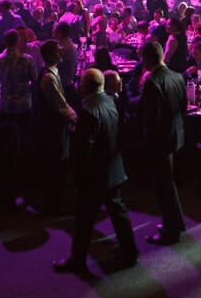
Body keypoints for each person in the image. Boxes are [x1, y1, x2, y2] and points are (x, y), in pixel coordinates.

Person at [53, 69, 139, 273]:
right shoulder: (110, 101)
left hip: (95, 174)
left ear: (84, 87)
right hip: (113, 167)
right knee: (118, 213)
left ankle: (78, 260)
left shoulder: (89, 111)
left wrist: (78, 176)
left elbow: (83, 149)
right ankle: (130, 253)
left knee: (84, 220)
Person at [139, 40, 187, 245]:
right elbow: (184, 106)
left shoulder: (152, 81)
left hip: (160, 140)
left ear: (147, 58)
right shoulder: (177, 76)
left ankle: (171, 231)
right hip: (175, 135)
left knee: (164, 187)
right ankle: (177, 222)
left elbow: (150, 116)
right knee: (169, 183)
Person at [38, 40, 77, 214]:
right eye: (58, 51)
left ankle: (55, 201)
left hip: (56, 125)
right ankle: (53, 204)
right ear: (49, 55)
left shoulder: (52, 73)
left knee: (58, 163)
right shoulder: (48, 77)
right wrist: (73, 118)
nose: (61, 53)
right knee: (56, 164)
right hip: (53, 127)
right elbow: (60, 105)